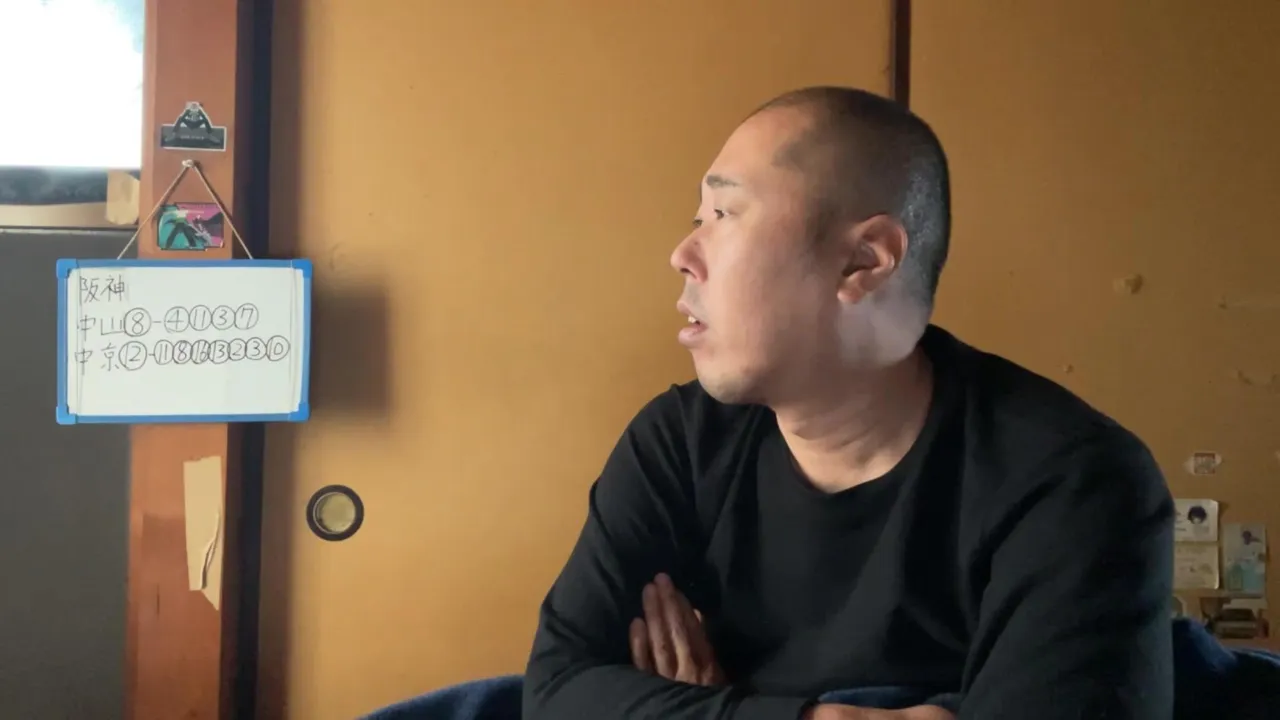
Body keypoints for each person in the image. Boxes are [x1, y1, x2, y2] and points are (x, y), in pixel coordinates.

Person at [522, 86, 1175, 719]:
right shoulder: (681, 443)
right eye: (698, 220)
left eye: (723, 214)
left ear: (862, 261)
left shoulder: (1070, 481)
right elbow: (554, 692)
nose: (681, 254)